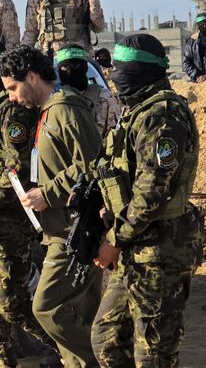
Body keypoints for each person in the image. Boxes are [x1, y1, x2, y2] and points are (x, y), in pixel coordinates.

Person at [91, 33, 203, 368]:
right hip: (134, 248)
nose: (114, 76)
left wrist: (114, 239)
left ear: (140, 72)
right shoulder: (137, 112)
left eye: (122, 70)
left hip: (160, 251)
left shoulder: (162, 115)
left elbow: (151, 191)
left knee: (153, 353)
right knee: (107, 339)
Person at [0, 45, 102, 368]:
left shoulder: (66, 110)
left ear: (31, 76)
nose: (12, 98)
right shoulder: (48, 113)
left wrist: (49, 193)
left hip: (74, 232)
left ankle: (109, 356)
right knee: (79, 310)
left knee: (46, 306)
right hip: (59, 228)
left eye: (13, 88)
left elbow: (93, 163)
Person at [0, 39, 56, 368]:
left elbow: (15, 170)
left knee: (12, 304)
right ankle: (5, 359)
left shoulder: (14, 108)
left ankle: (65, 352)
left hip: (12, 213)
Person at [56, 44, 121, 137]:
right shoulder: (53, 101)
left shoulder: (105, 98)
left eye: (77, 65)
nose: (71, 71)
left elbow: (117, 138)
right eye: (65, 67)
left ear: (85, 67)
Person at [183, 11, 206, 83]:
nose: (204, 26)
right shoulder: (191, 42)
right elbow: (186, 63)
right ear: (198, 25)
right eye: (202, 23)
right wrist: (197, 75)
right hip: (197, 82)